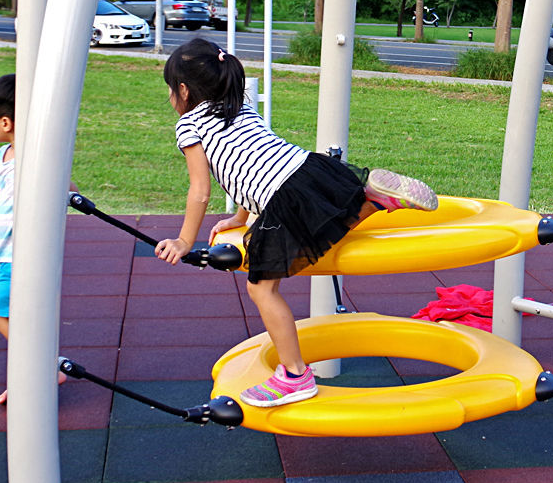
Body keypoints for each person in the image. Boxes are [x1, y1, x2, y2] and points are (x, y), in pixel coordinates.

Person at [154, 38, 437, 408]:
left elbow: (201, 190)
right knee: (330, 221)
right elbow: (246, 162)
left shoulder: (190, 126)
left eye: (170, 91)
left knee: (261, 290)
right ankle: (373, 198)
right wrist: (239, 217)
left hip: (283, 197)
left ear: (184, 91)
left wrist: (183, 241)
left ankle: (294, 374)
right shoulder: (241, 106)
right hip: (309, 170)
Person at [0, 74, 66, 404]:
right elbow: (0, 200)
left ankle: (42, 368)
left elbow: (65, 186)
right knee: (22, 317)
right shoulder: (3, 157)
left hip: (24, 255)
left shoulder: (36, 157)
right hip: (7, 252)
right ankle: (41, 368)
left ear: (5, 121)